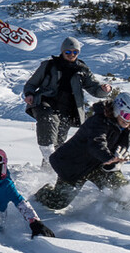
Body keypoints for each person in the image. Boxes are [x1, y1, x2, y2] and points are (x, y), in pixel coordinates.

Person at [34, 92, 130, 211]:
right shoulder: (99, 121)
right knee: (58, 202)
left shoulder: (129, 127)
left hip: (99, 165)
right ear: (116, 110)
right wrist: (109, 158)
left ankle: (119, 212)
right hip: (74, 166)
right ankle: (40, 195)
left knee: (122, 191)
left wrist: (112, 160)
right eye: (127, 115)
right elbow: (96, 143)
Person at [23, 36, 114, 166]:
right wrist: (29, 94)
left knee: (58, 145)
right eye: (68, 52)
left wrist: (104, 90)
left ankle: (48, 172)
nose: (71, 55)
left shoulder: (82, 69)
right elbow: (31, 84)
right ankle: (48, 153)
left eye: (75, 52)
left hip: (68, 111)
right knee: (48, 121)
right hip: (46, 103)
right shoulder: (49, 65)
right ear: (62, 51)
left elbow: (94, 88)